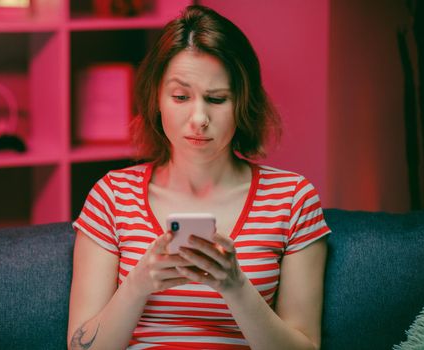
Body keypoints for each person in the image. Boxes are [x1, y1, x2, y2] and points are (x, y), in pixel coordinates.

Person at [68, 5, 331, 350]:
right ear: (156, 100)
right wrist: (138, 284)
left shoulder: (292, 199)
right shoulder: (112, 196)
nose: (199, 118)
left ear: (242, 103)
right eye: (180, 97)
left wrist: (235, 286)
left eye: (217, 99)